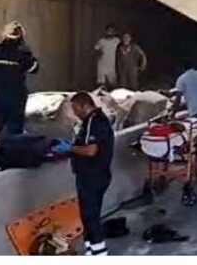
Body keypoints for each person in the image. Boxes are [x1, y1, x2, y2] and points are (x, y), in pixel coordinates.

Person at [54, 92, 114, 256]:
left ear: (84, 106)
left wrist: (70, 148)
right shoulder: (90, 121)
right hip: (90, 175)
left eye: (75, 109)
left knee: (91, 215)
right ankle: (91, 249)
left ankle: (99, 252)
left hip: (93, 176)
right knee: (87, 215)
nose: (75, 113)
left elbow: (90, 150)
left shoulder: (95, 122)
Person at [0, 21, 39, 175]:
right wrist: (30, 54)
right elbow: (34, 69)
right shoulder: (22, 54)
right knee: (14, 132)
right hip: (16, 98)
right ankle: (10, 164)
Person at [94, 24, 120, 90]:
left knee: (113, 84)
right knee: (101, 84)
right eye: (108, 31)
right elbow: (95, 50)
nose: (110, 32)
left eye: (111, 31)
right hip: (102, 64)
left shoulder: (117, 41)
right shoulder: (101, 41)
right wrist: (98, 53)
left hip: (112, 65)